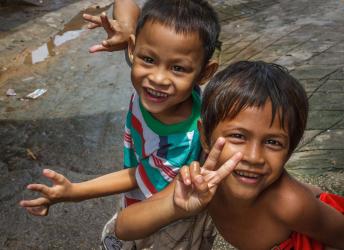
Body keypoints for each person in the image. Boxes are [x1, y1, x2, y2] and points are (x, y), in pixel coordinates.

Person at [115, 61, 344, 250]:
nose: (254, 156)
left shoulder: (289, 204)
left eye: (273, 142)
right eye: (238, 137)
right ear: (205, 136)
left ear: (290, 148)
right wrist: (174, 207)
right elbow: (124, 227)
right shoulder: (201, 181)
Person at [20, 0, 220, 249]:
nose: (158, 78)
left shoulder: (182, 140)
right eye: (148, 59)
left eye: (177, 68)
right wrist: (126, 27)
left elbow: (135, 177)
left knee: (141, 235)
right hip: (144, 184)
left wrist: (75, 192)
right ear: (133, 50)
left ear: (203, 74)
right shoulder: (155, 79)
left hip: (169, 216)